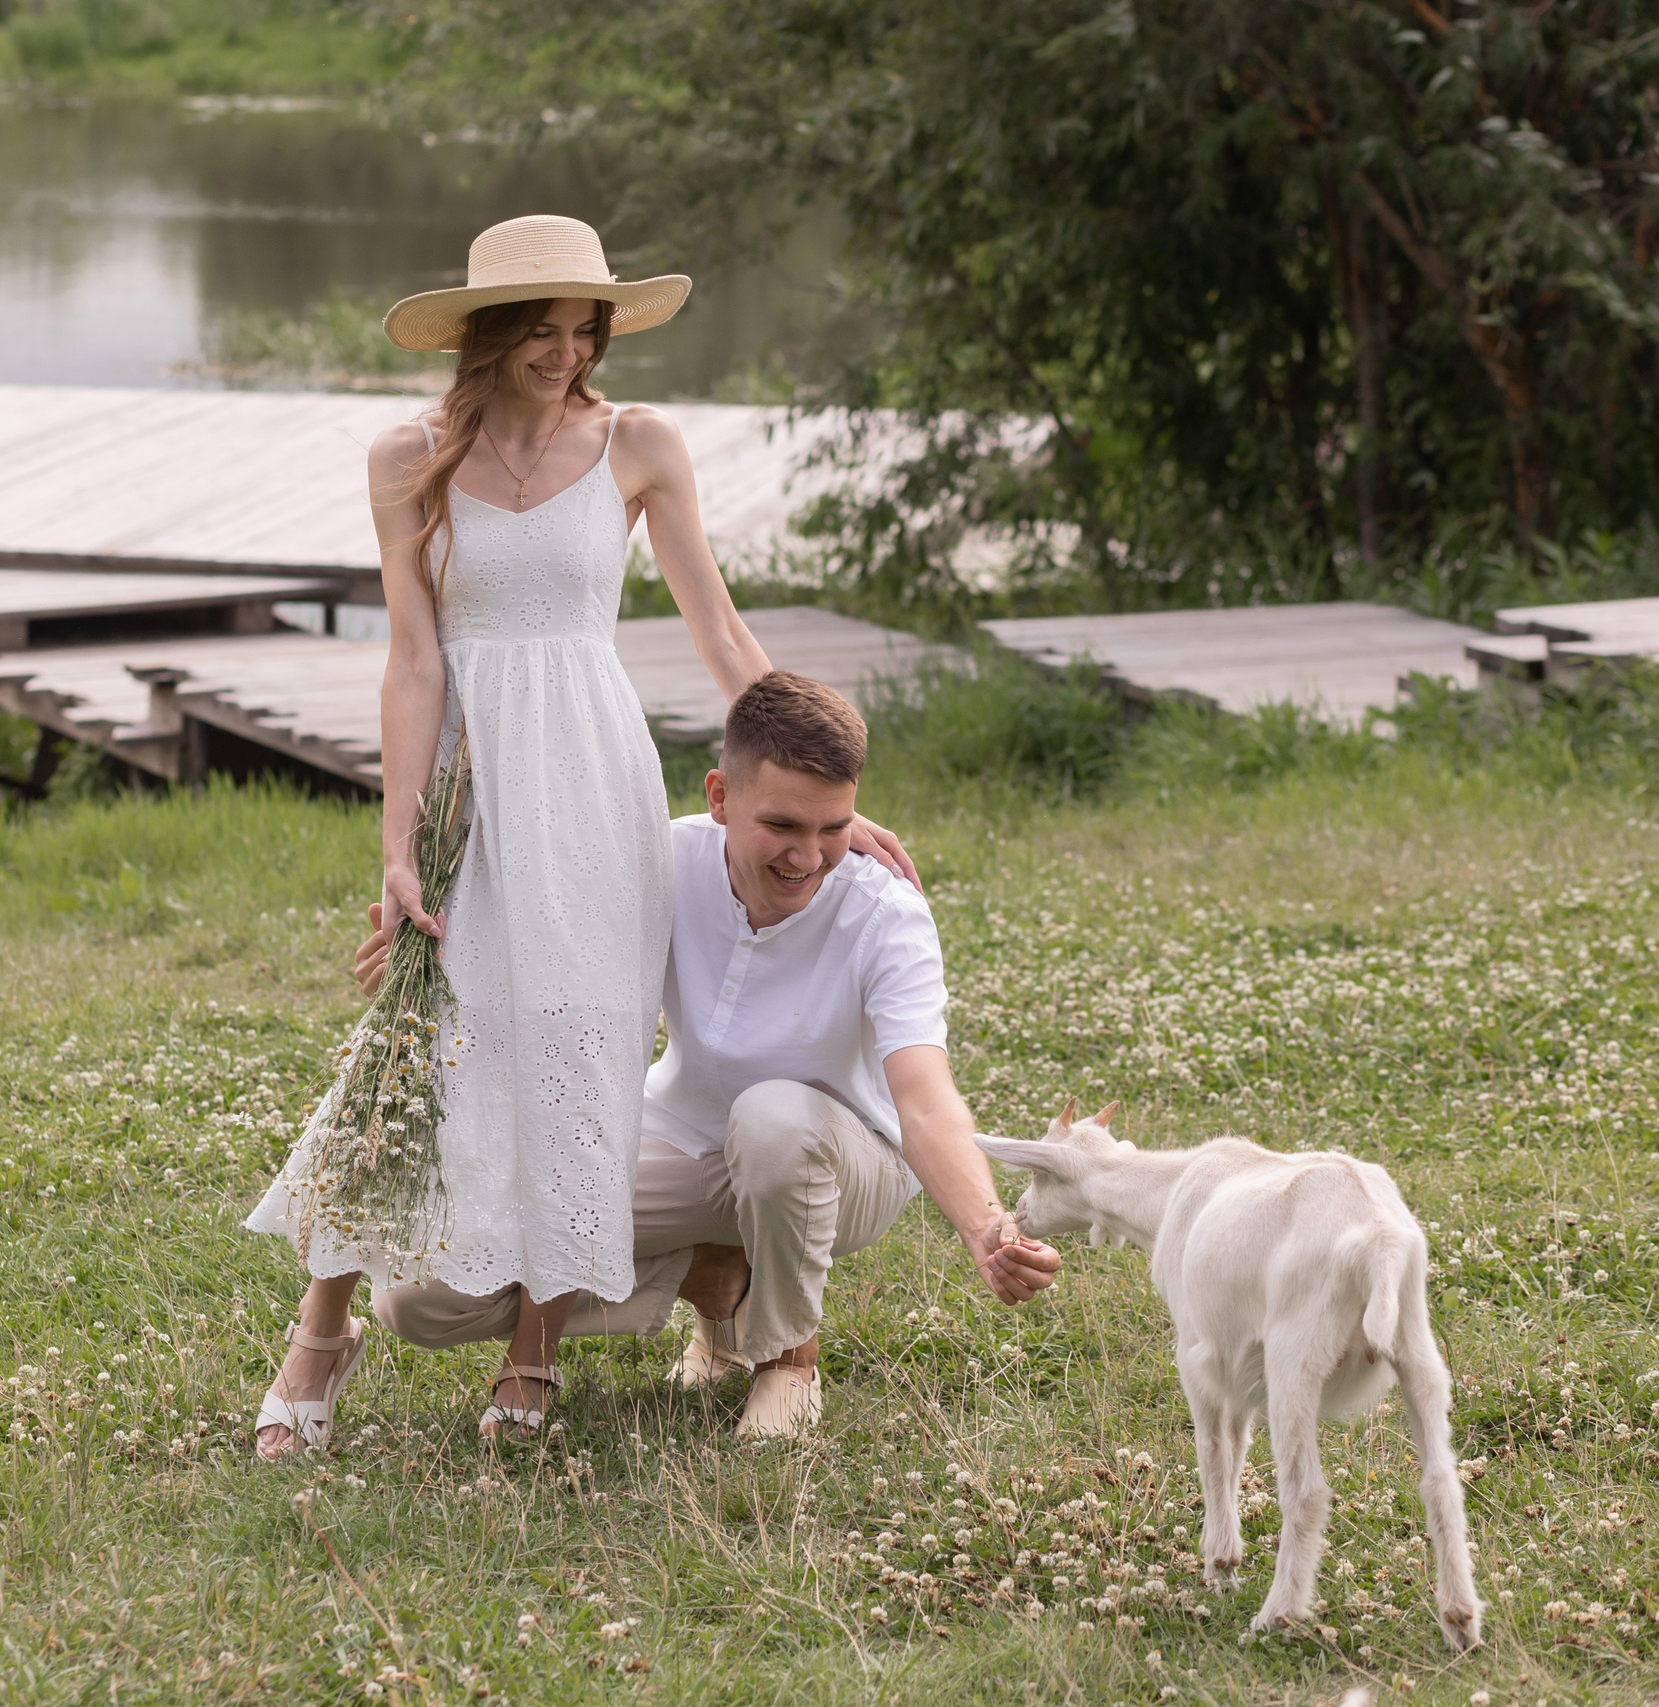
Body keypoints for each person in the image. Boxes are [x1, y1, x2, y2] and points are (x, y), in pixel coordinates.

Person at [243, 216, 915, 1458]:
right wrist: (396, 850)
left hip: (592, 782)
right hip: (467, 789)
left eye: (583, 329)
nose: (565, 353)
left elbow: (717, 632)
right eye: (540, 331)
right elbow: (409, 660)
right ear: (485, 334)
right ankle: (318, 1338)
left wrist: (820, 796)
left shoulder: (637, 443)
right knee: (409, 1048)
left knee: (581, 1049)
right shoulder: (408, 457)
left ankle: (535, 1350)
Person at [366, 672, 1063, 1439]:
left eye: (834, 826)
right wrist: (428, 952)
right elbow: (544, 964)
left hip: (841, 1160)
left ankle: (787, 1359)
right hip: (681, 1135)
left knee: (773, 1117)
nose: (810, 855)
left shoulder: (884, 910)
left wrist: (986, 1226)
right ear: (720, 797)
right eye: (784, 825)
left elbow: (925, 1100)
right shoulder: (665, 860)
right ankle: (715, 1278)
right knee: (418, 1291)